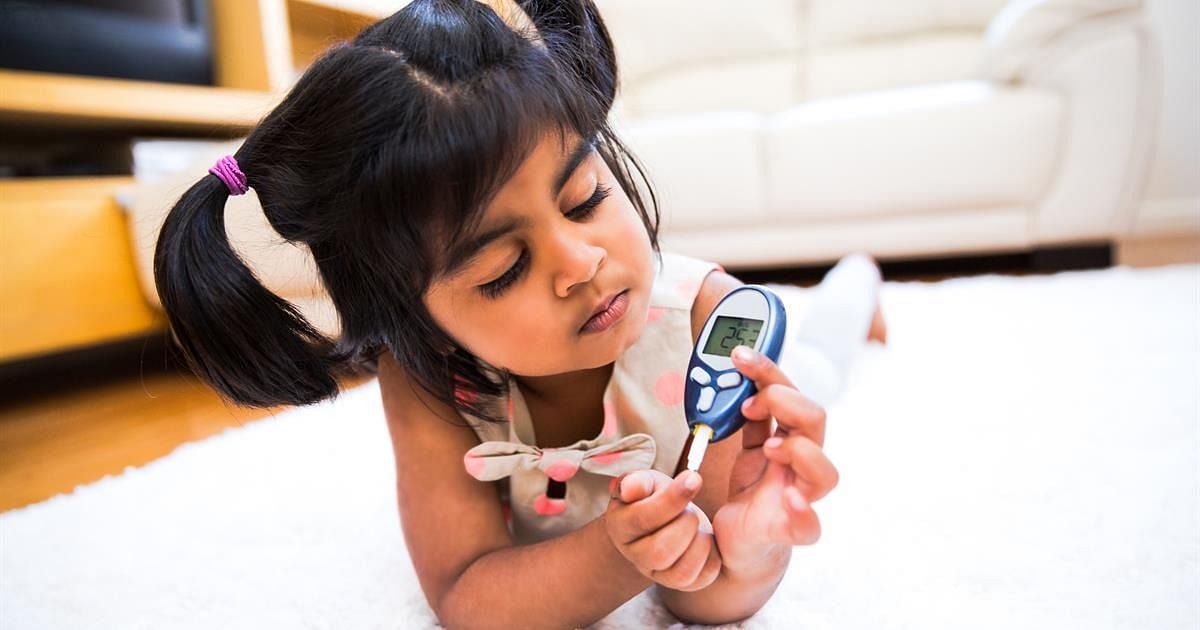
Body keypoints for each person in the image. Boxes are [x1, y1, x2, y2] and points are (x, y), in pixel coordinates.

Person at [153, 1, 884, 626]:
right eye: (504, 270)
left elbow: (705, 596)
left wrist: (749, 546)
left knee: (822, 354)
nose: (581, 262)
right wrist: (616, 555)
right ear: (417, 318)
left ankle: (858, 283)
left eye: (586, 199)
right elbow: (466, 594)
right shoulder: (428, 377)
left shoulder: (709, 324)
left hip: (728, 349)